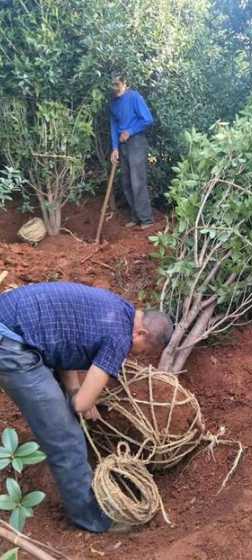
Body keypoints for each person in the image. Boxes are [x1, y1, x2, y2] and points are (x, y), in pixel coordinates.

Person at [0, 282, 173, 533]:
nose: (134, 356)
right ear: (141, 334)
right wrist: (86, 400)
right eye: (142, 351)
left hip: (12, 322)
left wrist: (74, 391)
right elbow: (81, 405)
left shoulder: (118, 307)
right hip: (11, 346)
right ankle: (93, 519)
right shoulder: (120, 338)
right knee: (67, 438)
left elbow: (64, 345)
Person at [110, 73, 154, 229]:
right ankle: (136, 217)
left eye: (117, 84)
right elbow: (114, 126)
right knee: (126, 182)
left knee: (138, 181)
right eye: (112, 85)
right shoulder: (113, 102)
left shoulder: (134, 97)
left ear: (124, 82)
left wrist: (130, 131)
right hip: (123, 146)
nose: (114, 88)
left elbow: (148, 119)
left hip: (136, 142)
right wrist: (114, 148)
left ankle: (146, 219)